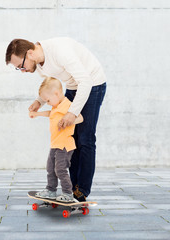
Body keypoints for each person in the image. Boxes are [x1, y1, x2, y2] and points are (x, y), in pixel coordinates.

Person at [6, 37, 106, 201]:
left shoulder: (59, 52)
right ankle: (71, 190)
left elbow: (86, 81)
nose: (22, 71)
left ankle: (81, 191)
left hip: (93, 84)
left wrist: (72, 112)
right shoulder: (38, 64)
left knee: (85, 138)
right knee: (69, 138)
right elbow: (51, 85)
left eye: (20, 66)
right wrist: (39, 101)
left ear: (30, 53)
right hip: (74, 86)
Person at [29, 77, 83, 202]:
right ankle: (51, 190)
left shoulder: (68, 105)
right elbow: (50, 113)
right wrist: (37, 114)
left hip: (64, 145)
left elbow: (80, 118)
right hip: (55, 144)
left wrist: (69, 120)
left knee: (60, 169)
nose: (47, 103)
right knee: (50, 168)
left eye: (48, 100)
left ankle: (68, 193)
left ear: (57, 94)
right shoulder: (56, 106)